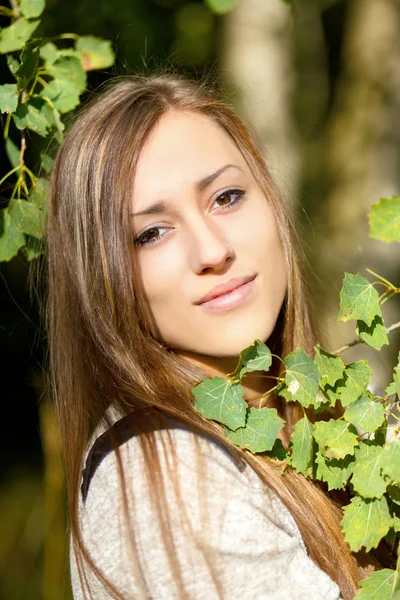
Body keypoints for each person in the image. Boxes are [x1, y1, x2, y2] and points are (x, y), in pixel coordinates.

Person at [46, 71, 372, 600]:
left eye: (226, 197)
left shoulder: (306, 423)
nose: (213, 250)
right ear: (101, 277)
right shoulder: (170, 478)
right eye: (151, 233)